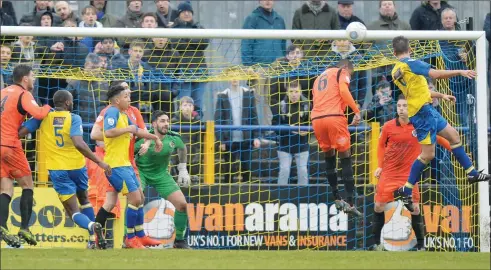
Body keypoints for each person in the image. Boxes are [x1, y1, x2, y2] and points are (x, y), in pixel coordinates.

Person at [390, 36, 490, 211]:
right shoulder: (411, 63)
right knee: (428, 155)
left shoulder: (396, 70)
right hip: (422, 114)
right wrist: (460, 71)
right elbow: (435, 74)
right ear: (410, 49)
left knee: (454, 135)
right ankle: (406, 189)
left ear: (393, 52)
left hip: (426, 109)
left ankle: (472, 173)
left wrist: (441, 96)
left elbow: (418, 92)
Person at [18, 90, 112, 249]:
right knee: (85, 200)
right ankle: (92, 239)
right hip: (77, 167)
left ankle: (91, 227)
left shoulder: (43, 117)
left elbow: (21, 132)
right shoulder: (74, 118)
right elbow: (78, 143)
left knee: (73, 211)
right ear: (68, 103)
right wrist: (99, 161)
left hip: (57, 170)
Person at [371, 95, 451, 251]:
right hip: (389, 173)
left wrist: (454, 148)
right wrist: (380, 166)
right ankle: (376, 244)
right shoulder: (388, 126)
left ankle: (421, 246)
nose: (401, 109)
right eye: (399, 106)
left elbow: (439, 139)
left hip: (409, 176)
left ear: (411, 107)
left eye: (405, 106)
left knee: (415, 208)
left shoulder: (419, 124)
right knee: (379, 206)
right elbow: (380, 146)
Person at [90, 81, 160, 248]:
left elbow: (137, 130)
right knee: (133, 199)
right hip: (115, 165)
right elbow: (106, 132)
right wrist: (127, 130)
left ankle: (137, 235)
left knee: (136, 198)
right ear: (116, 99)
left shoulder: (126, 113)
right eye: (126, 95)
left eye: (129, 94)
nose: (130, 98)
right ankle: (129, 238)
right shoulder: (111, 111)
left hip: (126, 163)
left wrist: (154, 138)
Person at [0, 64, 51, 247]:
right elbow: (38, 113)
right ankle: (24, 228)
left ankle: (2, 226)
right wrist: (47, 106)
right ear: (25, 78)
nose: (34, 79)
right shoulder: (24, 94)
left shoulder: (3, 92)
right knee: (28, 184)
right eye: (33, 76)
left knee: (6, 188)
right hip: (9, 144)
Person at [311, 59, 361, 216]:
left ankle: (336, 197)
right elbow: (344, 91)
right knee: (345, 156)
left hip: (317, 120)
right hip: (334, 118)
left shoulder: (318, 78)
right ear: (345, 67)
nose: (349, 79)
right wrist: (356, 111)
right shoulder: (341, 72)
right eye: (350, 76)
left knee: (329, 157)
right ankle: (351, 202)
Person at [134, 110, 192, 249]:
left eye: (167, 121)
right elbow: (130, 153)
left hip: (161, 175)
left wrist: (183, 168)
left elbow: (182, 149)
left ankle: (179, 241)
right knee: (134, 202)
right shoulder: (142, 139)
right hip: (141, 172)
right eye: (162, 121)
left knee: (182, 205)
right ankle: (129, 238)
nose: (166, 124)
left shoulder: (173, 138)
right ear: (154, 124)